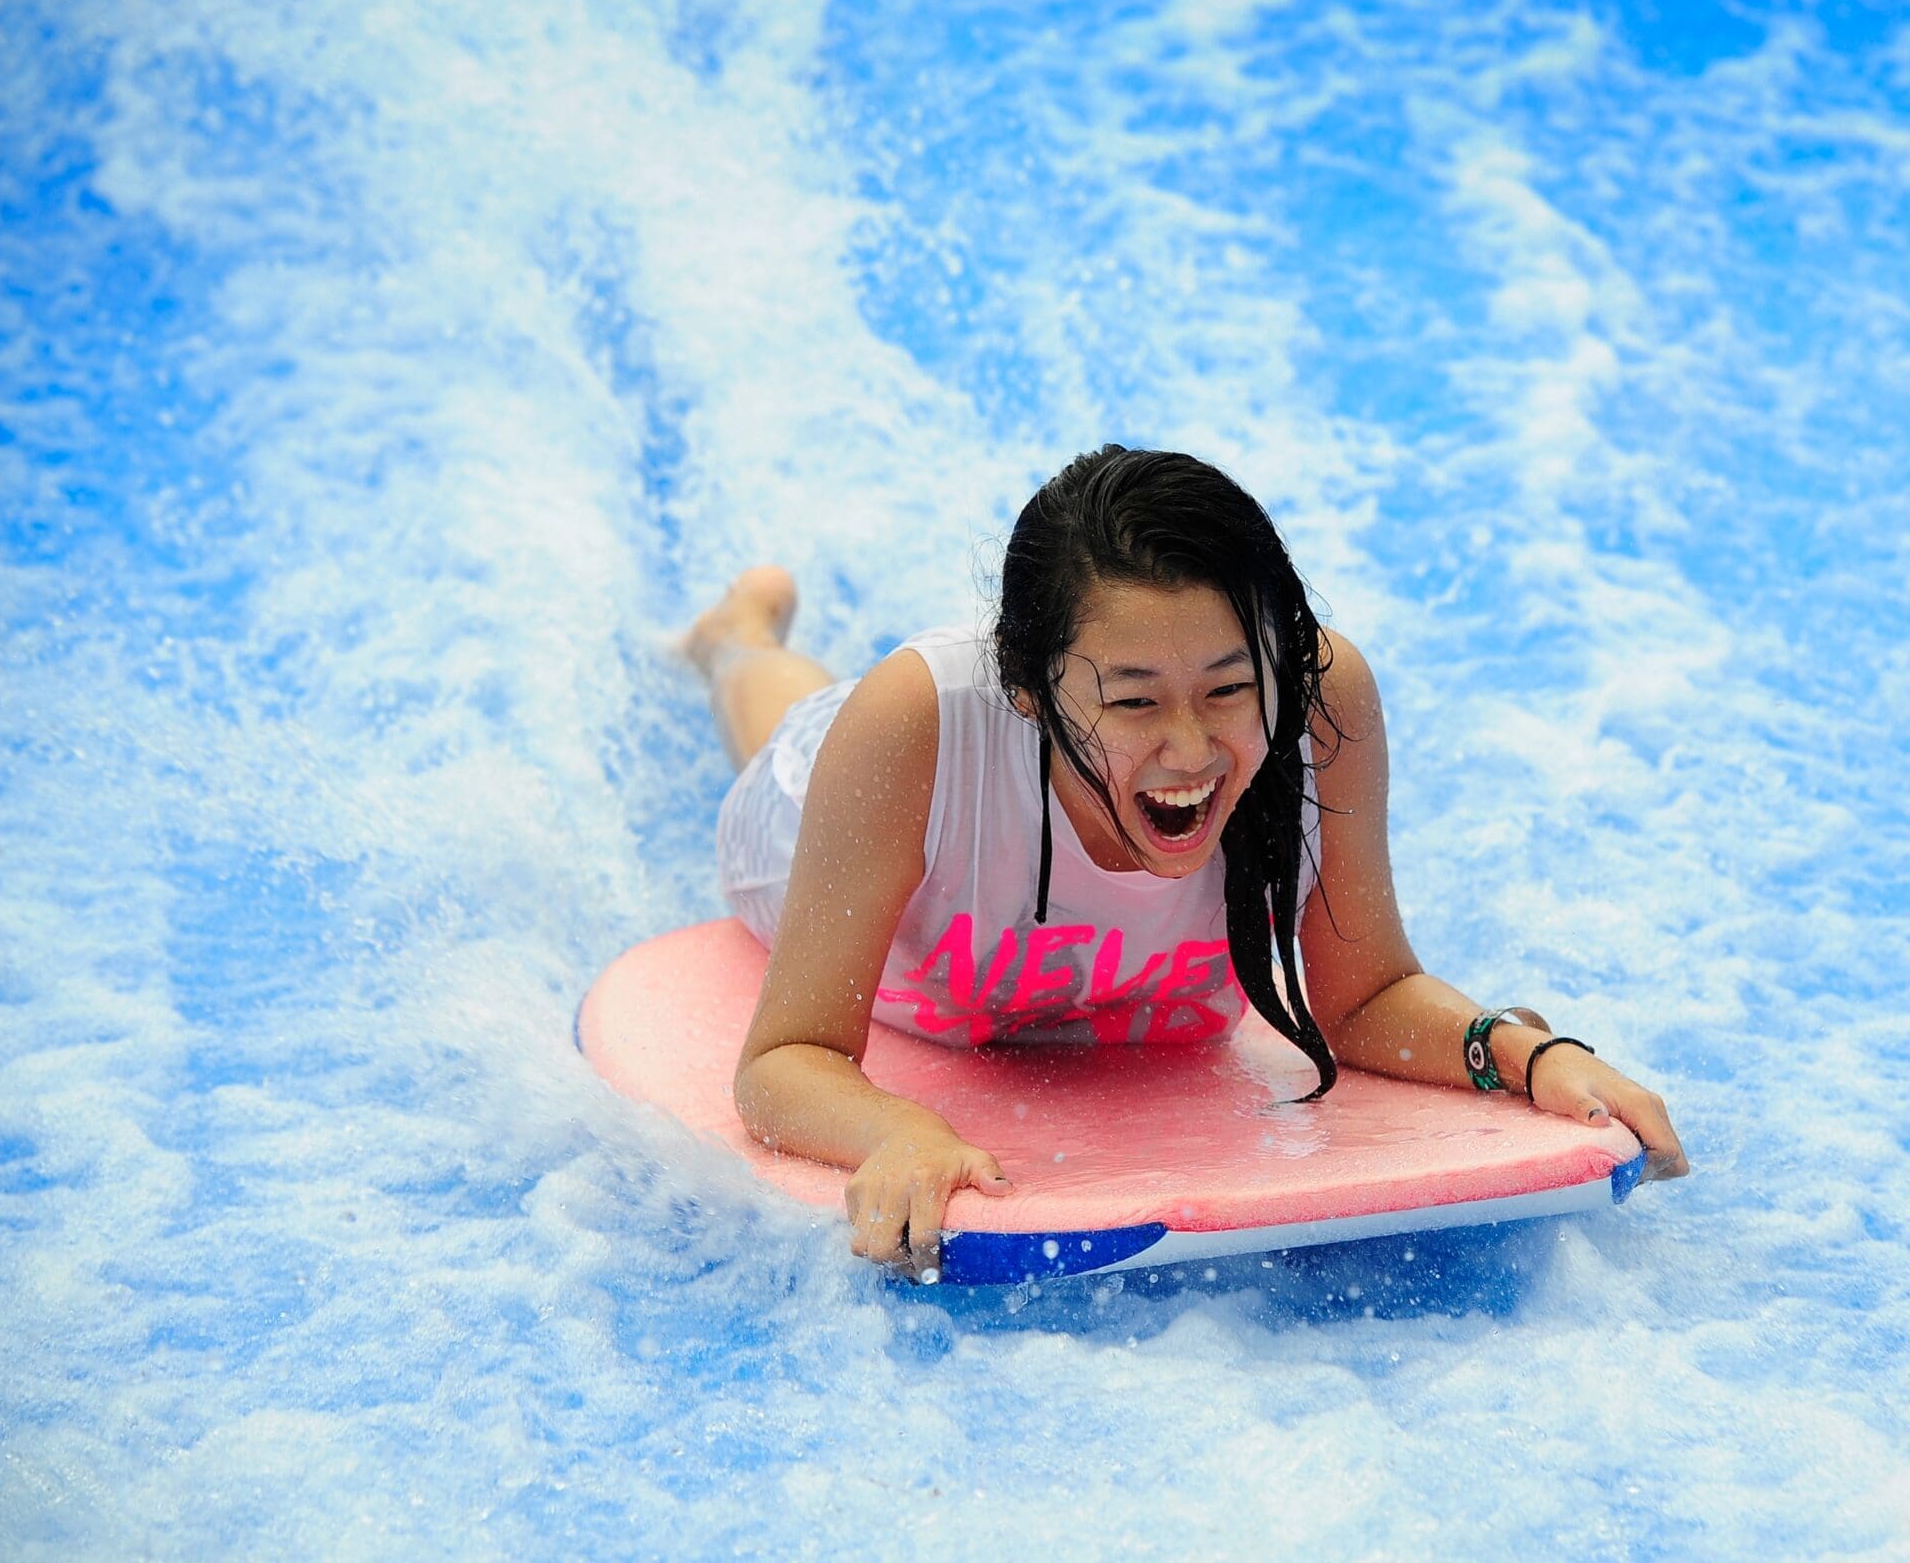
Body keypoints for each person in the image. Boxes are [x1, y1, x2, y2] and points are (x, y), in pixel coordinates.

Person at [684, 446, 1688, 1279]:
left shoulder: (1320, 700)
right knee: (790, 733)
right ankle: (736, 639)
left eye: (1225, 689)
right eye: (1132, 702)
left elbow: (1365, 994)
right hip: (828, 817)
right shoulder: (921, 726)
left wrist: (1521, 1053)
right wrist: (897, 1131)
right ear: (1029, 687)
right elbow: (782, 1062)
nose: (1190, 750)